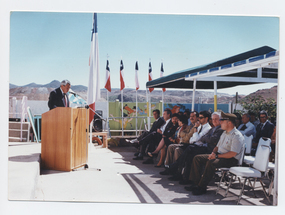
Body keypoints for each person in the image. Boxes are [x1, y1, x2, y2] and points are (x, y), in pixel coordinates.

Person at [185, 111, 244, 195]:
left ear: (229, 123)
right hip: (220, 156)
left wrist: (216, 156)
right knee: (197, 158)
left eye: (222, 121)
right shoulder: (225, 132)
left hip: (231, 160)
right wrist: (213, 153)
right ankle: (195, 183)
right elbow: (217, 146)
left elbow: (232, 153)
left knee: (211, 162)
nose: (220, 123)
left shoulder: (237, 136)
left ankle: (202, 187)